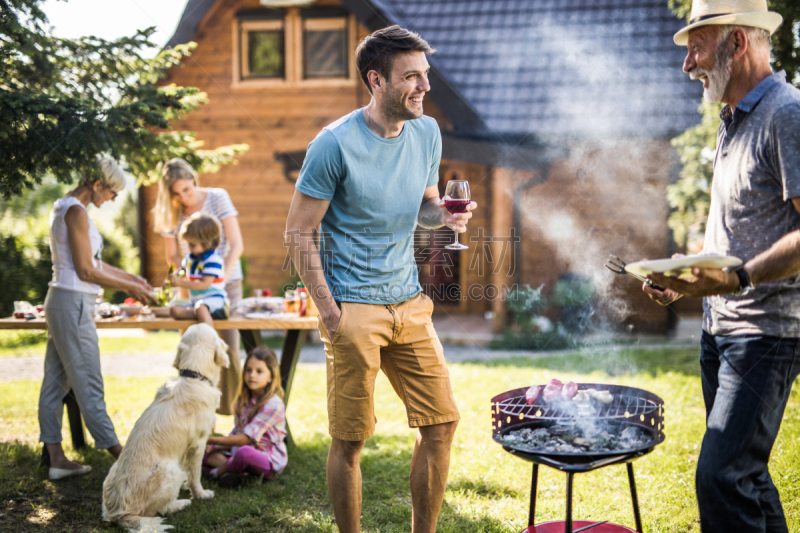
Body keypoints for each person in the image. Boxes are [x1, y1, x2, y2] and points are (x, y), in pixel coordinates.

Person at [285, 25, 476, 533]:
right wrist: (329, 312)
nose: (424, 87)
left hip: (409, 303)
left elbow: (427, 207)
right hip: (353, 309)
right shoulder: (334, 145)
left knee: (441, 423)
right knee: (350, 441)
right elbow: (298, 231)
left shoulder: (427, 132)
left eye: (425, 75)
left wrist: (448, 218)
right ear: (377, 80)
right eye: (411, 77)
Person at [646, 2, 799, 531]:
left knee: (721, 476)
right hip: (721, 329)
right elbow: (738, 225)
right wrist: (685, 279)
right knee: (746, 477)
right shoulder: (732, 120)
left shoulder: (787, 112)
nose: (688, 64)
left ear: (738, 44)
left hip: (766, 332)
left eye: (697, 46)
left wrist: (737, 279)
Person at [39, 156, 155, 480]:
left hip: (64, 301)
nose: (114, 198)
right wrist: (131, 285)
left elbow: (94, 264)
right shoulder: (75, 211)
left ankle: (56, 459)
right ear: (97, 184)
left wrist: (134, 280)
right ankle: (123, 456)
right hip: (72, 303)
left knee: (55, 382)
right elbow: (86, 270)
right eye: (113, 191)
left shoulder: (66, 206)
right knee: (89, 381)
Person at [153, 158, 244, 415]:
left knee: (229, 349)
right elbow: (173, 256)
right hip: (192, 289)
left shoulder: (218, 197)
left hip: (224, 284)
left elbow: (236, 244)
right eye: (176, 193)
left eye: (187, 189)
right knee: (190, 349)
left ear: (194, 179)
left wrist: (217, 280)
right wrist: (183, 279)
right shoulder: (171, 211)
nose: (184, 197)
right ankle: (190, 411)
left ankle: (233, 411)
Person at [203, 347, 287, 488]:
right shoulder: (243, 399)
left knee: (244, 453)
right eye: (248, 370)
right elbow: (237, 433)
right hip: (237, 452)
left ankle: (215, 473)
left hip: (266, 460)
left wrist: (207, 438)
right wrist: (212, 446)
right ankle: (237, 472)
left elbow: (245, 439)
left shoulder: (273, 404)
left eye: (259, 371)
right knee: (204, 451)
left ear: (271, 377)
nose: (252, 375)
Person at [168, 212, 230, 325]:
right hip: (196, 301)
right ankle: (206, 315)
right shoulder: (190, 258)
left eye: (192, 245)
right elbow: (182, 272)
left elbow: (203, 285)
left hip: (214, 300)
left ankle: (208, 338)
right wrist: (172, 278)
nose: (188, 248)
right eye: (187, 244)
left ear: (207, 242)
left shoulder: (213, 260)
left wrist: (179, 283)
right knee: (174, 310)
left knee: (201, 309)